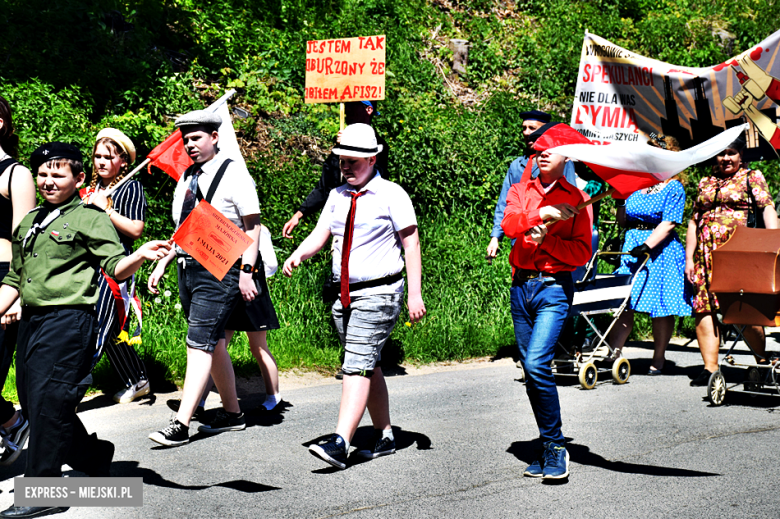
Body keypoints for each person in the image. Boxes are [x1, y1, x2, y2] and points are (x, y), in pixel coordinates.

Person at [0, 142, 170, 518]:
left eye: (57, 174)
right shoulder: (30, 222)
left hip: (69, 321)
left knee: (48, 403)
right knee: (33, 403)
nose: (47, 180)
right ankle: (94, 455)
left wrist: (139, 256)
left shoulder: (90, 218)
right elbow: (16, 276)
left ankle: (42, 491)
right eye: (42, 173)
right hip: (32, 322)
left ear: (78, 178)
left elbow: (114, 265)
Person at [283, 123, 425, 470]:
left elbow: (411, 245)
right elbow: (321, 233)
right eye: (342, 161)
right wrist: (299, 254)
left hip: (380, 293)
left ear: (373, 160)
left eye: (353, 162)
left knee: (355, 364)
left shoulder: (392, 194)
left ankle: (340, 442)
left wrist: (415, 294)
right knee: (368, 364)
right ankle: (385, 434)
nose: (346, 167)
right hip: (344, 295)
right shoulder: (337, 196)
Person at [148, 109, 261, 446]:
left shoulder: (234, 174)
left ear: (215, 137)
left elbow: (252, 226)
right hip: (188, 266)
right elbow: (184, 228)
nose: (189, 144)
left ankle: (181, 423)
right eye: (186, 139)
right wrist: (164, 262)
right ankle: (232, 413)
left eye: (196, 137)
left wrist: (246, 272)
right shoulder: (186, 178)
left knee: (198, 343)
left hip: (221, 269)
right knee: (215, 343)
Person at [502, 128, 592, 480]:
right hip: (520, 287)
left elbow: (582, 253)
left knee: (538, 362)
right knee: (530, 369)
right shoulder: (520, 190)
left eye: (552, 149)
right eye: (539, 148)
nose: (542, 152)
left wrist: (547, 245)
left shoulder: (578, 199)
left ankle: (556, 448)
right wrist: (542, 215)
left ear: (567, 156)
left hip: (554, 288)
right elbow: (510, 225)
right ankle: (546, 444)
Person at [685, 137, 778, 386]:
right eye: (721, 154)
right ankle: (710, 368)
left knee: (740, 308)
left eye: (731, 153)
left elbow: (767, 207)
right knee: (704, 308)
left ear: (741, 155)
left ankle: (762, 362)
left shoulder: (751, 176)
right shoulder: (706, 181)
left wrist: (773, 243)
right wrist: (689, 259)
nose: (726, 158)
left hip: (737, 254)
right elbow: (694, 221)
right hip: (705, 257)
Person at [607, 135, 692, 374]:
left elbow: (670, 222)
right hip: (632, 246)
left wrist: (647, 245)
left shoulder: (674, 186)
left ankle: (659, 357)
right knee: (624, 302)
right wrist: (621, 200)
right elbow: (624, 221)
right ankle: (613, 352)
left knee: (661, 306)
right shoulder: (637, 184)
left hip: (661, 250)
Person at [82, 128, 151, 403]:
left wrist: (106, 210)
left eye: (108, 157)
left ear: (122, 161)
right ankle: (138, 379)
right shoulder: (88, 188)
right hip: (86, 267)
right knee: (111, 331)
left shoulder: (129, 187)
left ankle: (68, 390)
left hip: (113, 268)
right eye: (97, 156)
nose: (101, 162)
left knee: (94, 328)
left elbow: (136, 229)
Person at [282, 101, 387, 238]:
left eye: (352, 104)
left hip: (370, 229)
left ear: (368, 109)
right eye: (343, 161)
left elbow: (372, 179)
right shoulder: (340, 147)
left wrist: (352, 142)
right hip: (341, 229)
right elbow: (326, 186)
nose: (346, 108)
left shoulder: (380, 147)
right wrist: (299, 214)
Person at [486, 110, 577, 261]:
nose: (526, 132)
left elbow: (571, 198)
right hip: (519, 239)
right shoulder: (516, 166)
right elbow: (504, 203)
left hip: (550, 239)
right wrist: (496, 237)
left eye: (532, 128)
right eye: (524, 128)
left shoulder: (561, 164)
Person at [0, 96, 36, 467]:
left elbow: (24, 242)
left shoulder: (16, 174)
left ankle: (15, 421)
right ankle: (11, 420)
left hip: (2, 278)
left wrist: (15, 296)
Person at [224, 248, 282, 412]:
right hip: (229, 289)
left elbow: (271, 264)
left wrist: (253, 276)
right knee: (216, 347)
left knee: (258, 346)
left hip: (252, 289)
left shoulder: (258, 229)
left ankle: (274, 397)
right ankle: (199, 402)